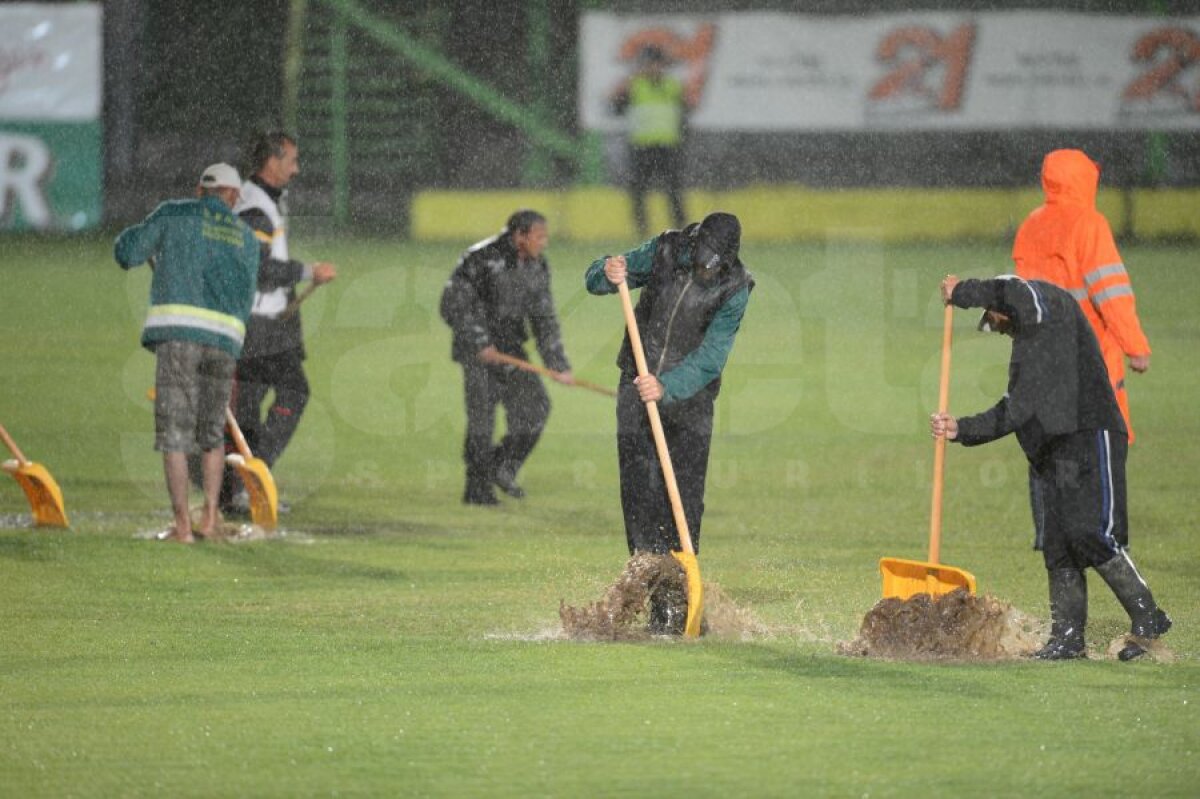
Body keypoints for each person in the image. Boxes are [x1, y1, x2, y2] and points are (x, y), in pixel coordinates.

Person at [930, 274, 1171, 661]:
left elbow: (1010, 291)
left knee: (1089, 532)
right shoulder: (1028, 349)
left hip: (1091, 433)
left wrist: (963, 292)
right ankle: (1068, 638)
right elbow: (1015, 411)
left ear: (1002, 305)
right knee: (1058, 544)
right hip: (1052, 453)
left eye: (996, 320)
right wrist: (962, 428)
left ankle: (1148, 616)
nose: (999, 329)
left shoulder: (1045, 303)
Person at [585, 212, 753, 633]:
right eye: (702, 259)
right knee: (640, 496)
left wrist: (667, 386)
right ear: (695, 243)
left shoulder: (736, 287)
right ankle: (646, 592)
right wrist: (606, 270)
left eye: (714, 265)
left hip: (690, 402)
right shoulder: (664, 250)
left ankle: (677, 605)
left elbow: (713, 355)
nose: (705, 270)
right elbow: (600, 279)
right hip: (636, 390)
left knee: (683, 503)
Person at [1011, 148, 1153, 550]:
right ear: (1085, 180)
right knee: (1104, 454)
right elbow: (1110, 291)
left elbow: (1025, 298)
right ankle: (1108, 543)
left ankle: (1057, 538)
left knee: (1056, 455)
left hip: (1045, 361)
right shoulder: (1089, 224)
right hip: (1091, 360)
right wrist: (1135, 345)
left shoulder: (1032, 226)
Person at [114, 163, 259, 542]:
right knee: (212, 434)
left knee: (175, 435)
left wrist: (148, 235)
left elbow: (128, 252)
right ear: (232, 196)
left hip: (178, 335)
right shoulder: (246, 237)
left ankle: (182, 526)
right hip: (225, 340)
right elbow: (248, 298)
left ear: (201, 190)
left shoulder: (174, 213)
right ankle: (210, 518)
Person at [224, 130, 337, 514]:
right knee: (285, 394)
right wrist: (308, 271)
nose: (296, 169)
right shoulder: (254, 206)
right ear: (272, 162)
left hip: (267, 323)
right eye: (292, 160)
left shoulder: (264, 201)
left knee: (254, 405)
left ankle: (243, 485)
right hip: (254, 324)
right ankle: (248, 482)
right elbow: (256, 268)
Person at [439, 209, 573, 505]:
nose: (544, 242)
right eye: (539, 236)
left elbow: (544, 317)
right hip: (477, 354)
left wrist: (557, 363)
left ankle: (501, 467)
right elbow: (452, 304)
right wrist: (480, 342)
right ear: (519, 236)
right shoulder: (479, 259)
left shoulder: (538, 265)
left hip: (511, 348)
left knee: (536, 408)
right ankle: (477, 490)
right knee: (482, 422)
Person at [609, 44, 692, 239]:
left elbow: (684, 115)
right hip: (642, 146)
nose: (653, 68)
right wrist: (619, 95)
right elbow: (616, 110)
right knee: (638, 190)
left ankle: (682, 232)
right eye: (649, 64)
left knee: (674, 191)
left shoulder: (673, 86)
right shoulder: (634, 86)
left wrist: (682, 141)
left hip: (668, 146)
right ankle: (642, 230)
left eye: (657, 64)